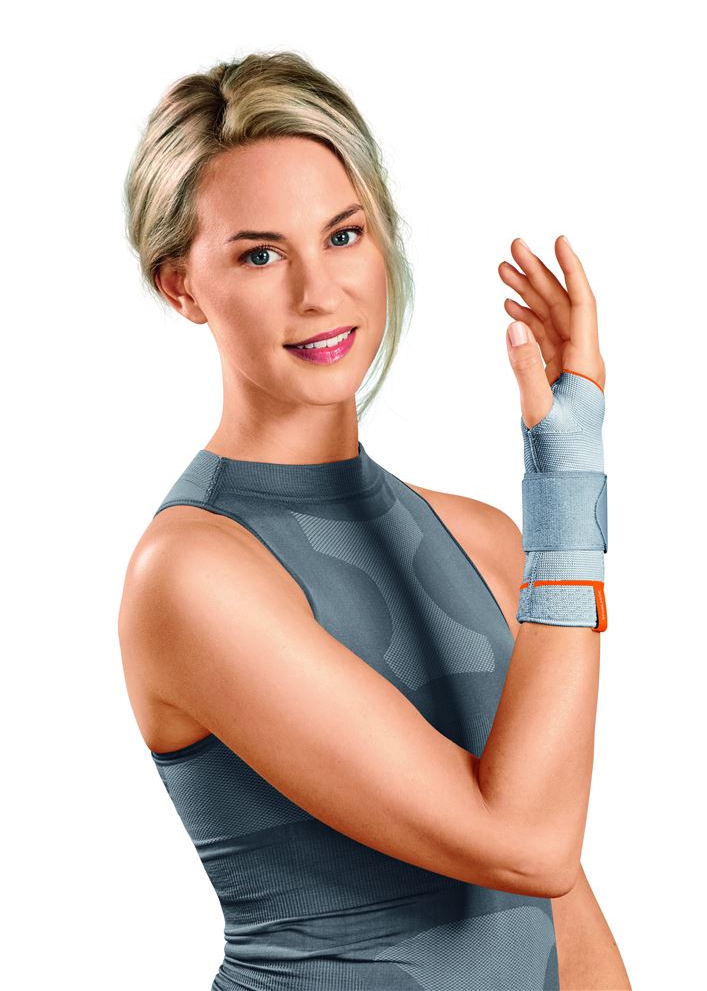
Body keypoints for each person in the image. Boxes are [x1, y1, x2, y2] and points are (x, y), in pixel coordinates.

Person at [118, 50, 631, 990]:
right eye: (260, 254)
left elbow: (565, 911)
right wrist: (569, 488)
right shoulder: (193, 573)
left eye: (343, 235)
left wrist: (558, 505)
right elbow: (523, 847)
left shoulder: (485, 541)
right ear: (182, 286)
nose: (319, 292)